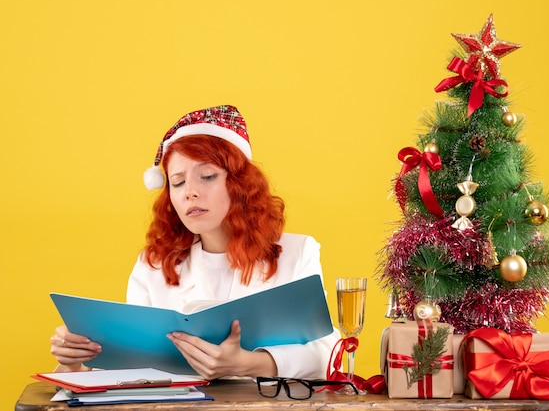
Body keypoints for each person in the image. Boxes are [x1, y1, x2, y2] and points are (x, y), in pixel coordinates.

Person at [50, 105, 341, 380]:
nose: (190, 192)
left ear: (241, 185)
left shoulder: (296, 252)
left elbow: (328, 352)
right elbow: (130, 369)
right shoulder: (152, 266)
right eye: (177, 182)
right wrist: (75, 361)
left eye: (207, 176)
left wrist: (249, 364)